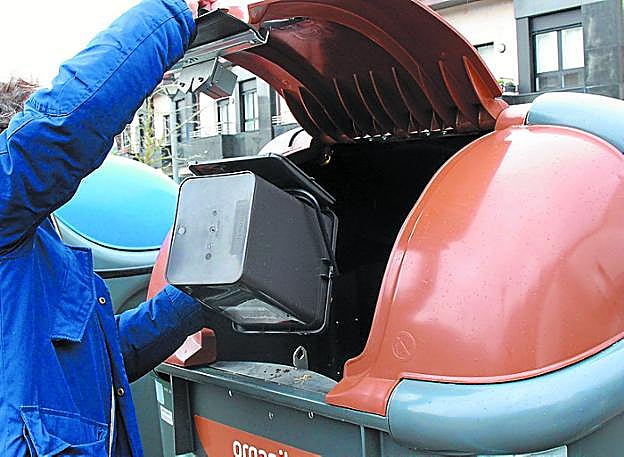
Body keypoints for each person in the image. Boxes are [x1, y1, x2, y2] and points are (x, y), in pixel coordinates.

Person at [0, 0, 213, 455]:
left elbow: (100, 358)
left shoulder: (34, 246)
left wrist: (201, 295)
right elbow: (64, 130)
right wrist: (174, 10)